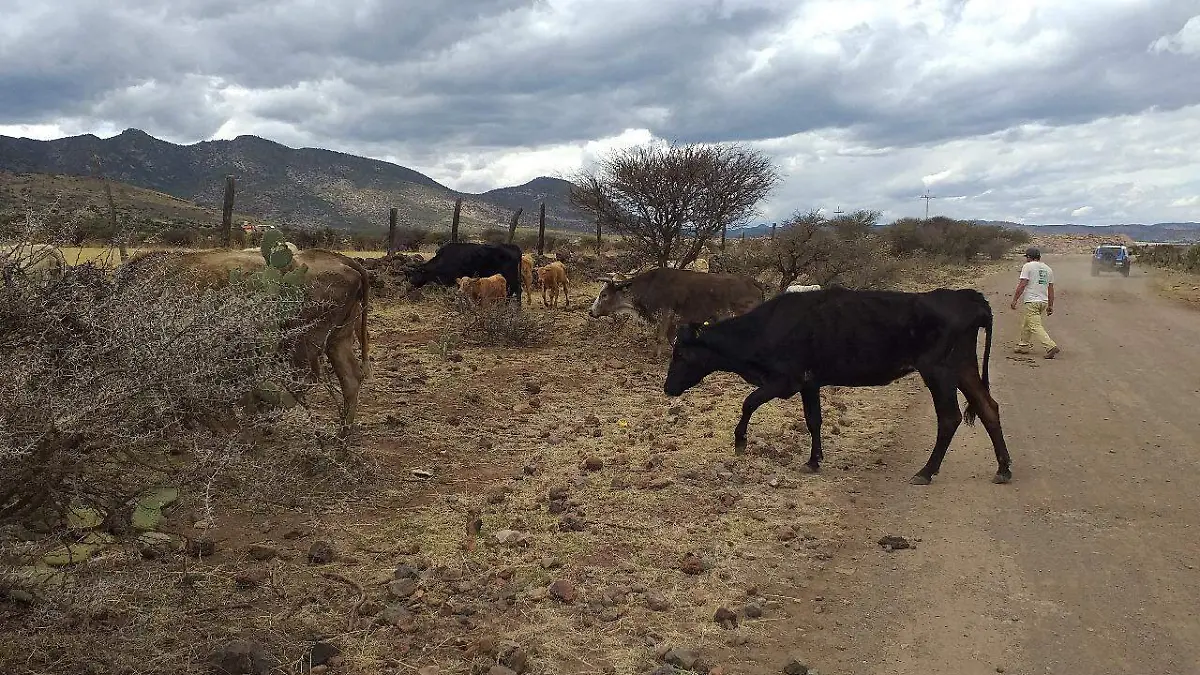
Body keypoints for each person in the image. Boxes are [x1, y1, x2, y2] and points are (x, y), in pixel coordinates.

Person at [1010, 247, 1060, 359]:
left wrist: (1015, 299)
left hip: (1031, 301)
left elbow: (1023, 284)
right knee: (1027, 323)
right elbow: (1050, 289)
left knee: (1035, 326)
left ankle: (1050, 346)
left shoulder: (1028, 266)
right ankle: (1023, 345)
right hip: (1043, 302)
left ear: (1028, 257)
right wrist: (1050, 305)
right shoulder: (1048, 269)